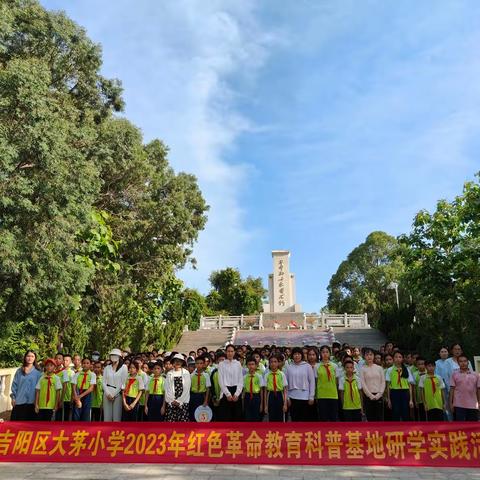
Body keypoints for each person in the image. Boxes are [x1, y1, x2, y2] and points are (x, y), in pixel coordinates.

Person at [10, 350, 42, 421]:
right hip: (19, 402)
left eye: (32, 356)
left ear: (35, 358)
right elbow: (14, 385)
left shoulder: (38, 372)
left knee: (30, 427)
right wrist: (13, 398)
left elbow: (40, 389)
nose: (30, 358)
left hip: (32, 403)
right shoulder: (19, 371)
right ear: (25, 357)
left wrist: (37, 402)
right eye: (28, 356)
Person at [285, 347, 315, 421]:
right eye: (295, 354)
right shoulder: (289, 367)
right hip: (292, 397)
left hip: (305, 397)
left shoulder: (307, 366)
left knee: (305, 420)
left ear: (301, 355)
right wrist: (287, 398)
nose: (297, 356)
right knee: (294, 419)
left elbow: (312, 382)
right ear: (292, 356)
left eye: (298, 354)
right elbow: (286, 384)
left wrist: (311, 396)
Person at [449, 354, 480, 421]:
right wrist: (450, 403)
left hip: (473, 405)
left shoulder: (476, 375)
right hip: (458, 405)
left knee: (472, 427)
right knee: (460, 427)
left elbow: (478, 390)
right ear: (458, 363)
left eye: (465, 361)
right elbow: (452, 389)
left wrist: (479, 402)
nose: (463, 363)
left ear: (468, 362)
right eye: (461, 361)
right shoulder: (454, 374)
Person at [217, 344, 243, 421]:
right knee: (226, 416)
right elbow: (220, 380)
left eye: (232, 351)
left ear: (234, 352)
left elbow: (240, 380)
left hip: (236, 391)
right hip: (225, 392)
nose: (230, 353)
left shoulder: (238, 364)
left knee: (237, 416)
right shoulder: (221, 364)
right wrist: (227, 394)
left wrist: (237, 393)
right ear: (226, 352)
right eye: (228, 351)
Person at [386, 351, 414, 421]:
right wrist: (389, 400)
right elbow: (388, 386)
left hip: (405, 392)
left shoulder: (407, 369)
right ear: (393, 358)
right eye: (396, 357)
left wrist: (411, 400)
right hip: (394, 392)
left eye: (400, 357)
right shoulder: (390, 370)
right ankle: (396, 430)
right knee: (395, 412)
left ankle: (406, 430)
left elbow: (410, 385)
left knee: (405, 413)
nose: (398, 359)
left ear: (402, 359)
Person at [315, 345, 340, 421]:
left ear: (330, 353)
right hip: (321, 395)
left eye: (327, 352)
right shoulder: (317, 366)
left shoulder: (334, 366)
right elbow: (316, 382)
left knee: (333, 418)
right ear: (320, 354)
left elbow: (337, 381)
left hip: (333, 395)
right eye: (323, 352)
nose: (325, 354)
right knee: (323, 418)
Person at [359, 348, 385, 421]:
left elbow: (383, 382)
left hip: (379, 396)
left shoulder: (379, 368)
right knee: (370, 418)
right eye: (367, 355)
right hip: (368, 397)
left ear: (374, 356)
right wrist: (370, 395)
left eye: (371, 355)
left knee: (379, 418)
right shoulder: (362, 369)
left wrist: (379, 394)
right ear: (364, 357)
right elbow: (363, 383)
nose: (369, 356)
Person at [103, 348, 128, 422]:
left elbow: (123, 383)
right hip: (107, 394)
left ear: (119, 357)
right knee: (107, 417)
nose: (113, 356)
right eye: (112, 355)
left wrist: (113, 394)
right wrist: (108, 394)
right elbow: (103, 382)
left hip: (118, 394)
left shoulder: (124, 367)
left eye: (115, 355)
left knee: (117, 417)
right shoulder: (107, 367)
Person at [164, 354, 191, 422]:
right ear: (173, 362)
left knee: (182, 422)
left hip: (182, 401)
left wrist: (179, 401)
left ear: (182, 362)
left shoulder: (186, 373)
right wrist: (172, 400)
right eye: (176, 361)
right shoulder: (169, 373)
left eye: (180, 361)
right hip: (171, 401)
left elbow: (187, 388)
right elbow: (167, 388)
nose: (178, 362)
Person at [265, 355, 288, 422]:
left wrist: (285, 404)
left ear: (278, 363)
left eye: (275, 362)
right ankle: (272, 432)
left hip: (280, 395)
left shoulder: (282, 374)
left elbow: (285, 390)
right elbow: (266, 391)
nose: (273, 364)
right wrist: (266, 405)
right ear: (269, 363)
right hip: (270, 395)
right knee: (271, 415)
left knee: (280, 415)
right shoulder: (267, 375)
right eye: (271, 362)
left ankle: (280, 431)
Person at [189, 355, 211, 421]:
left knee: (201, 414)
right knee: (192, 412)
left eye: (201, 363)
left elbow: (208, 389)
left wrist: (206, 400)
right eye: (197, 363)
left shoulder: (206, 375)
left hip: (202, 396)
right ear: (195, 364)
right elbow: (189, 388)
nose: (199, 365)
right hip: (193, 395)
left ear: (204, 364)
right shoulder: (191, 375)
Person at [243, 356, 264, 421]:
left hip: (256, 397)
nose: (251, 366)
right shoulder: (244, 377)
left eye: (252, 364)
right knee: (248, 416)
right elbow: (243, 391)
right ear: (246, 366)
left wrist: (261, 404)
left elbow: (261, 391)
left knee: (256, 416)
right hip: (247, 396)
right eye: (249, 364)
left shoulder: (259, 376)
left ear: (256, 365)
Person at [413, 357, 427, 421]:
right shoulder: (414, 374)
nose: (421, 366)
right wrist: (415, 400)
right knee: (422, 416)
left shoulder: (429, 372)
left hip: (429, 399)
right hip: (419, 399)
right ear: (416, 365)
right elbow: (414, 388)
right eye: (419, 364)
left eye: (423, 364)